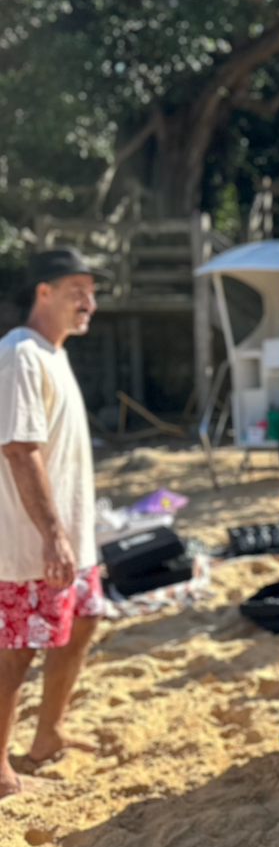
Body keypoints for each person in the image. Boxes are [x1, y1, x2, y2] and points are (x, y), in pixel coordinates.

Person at [0, 249, 107, 798]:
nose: (89, 301)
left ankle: (48, 734)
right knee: (16, 651)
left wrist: (79, 538)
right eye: (77, 289)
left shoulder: (53, 353)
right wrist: (53, 535)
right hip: (29, 545)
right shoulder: (20, 353)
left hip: (72, 539)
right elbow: (20, 450)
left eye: (92, 291)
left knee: (85, 620)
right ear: (43, 291)